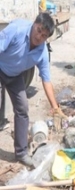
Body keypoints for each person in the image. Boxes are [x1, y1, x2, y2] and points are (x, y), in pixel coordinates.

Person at [0, 12, 64, 168]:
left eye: (44, 35)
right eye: (39, 30)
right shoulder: (16, 29)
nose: (39, 36)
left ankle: (21, 153)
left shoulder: (42, 52)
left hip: (15, 76)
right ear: (34, 23)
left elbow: (46, 79)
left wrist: (55, 107)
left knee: (22, 108)